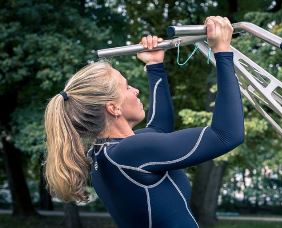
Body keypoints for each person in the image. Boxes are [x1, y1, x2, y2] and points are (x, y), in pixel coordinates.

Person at [44, 16, 244, 228]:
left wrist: (154, 65)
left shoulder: (105, 153)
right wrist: (222, 51)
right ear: (113, 108)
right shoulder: (127, 153)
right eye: (127, 87)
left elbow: (158, 129)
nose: (135, 90)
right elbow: (226, 135)